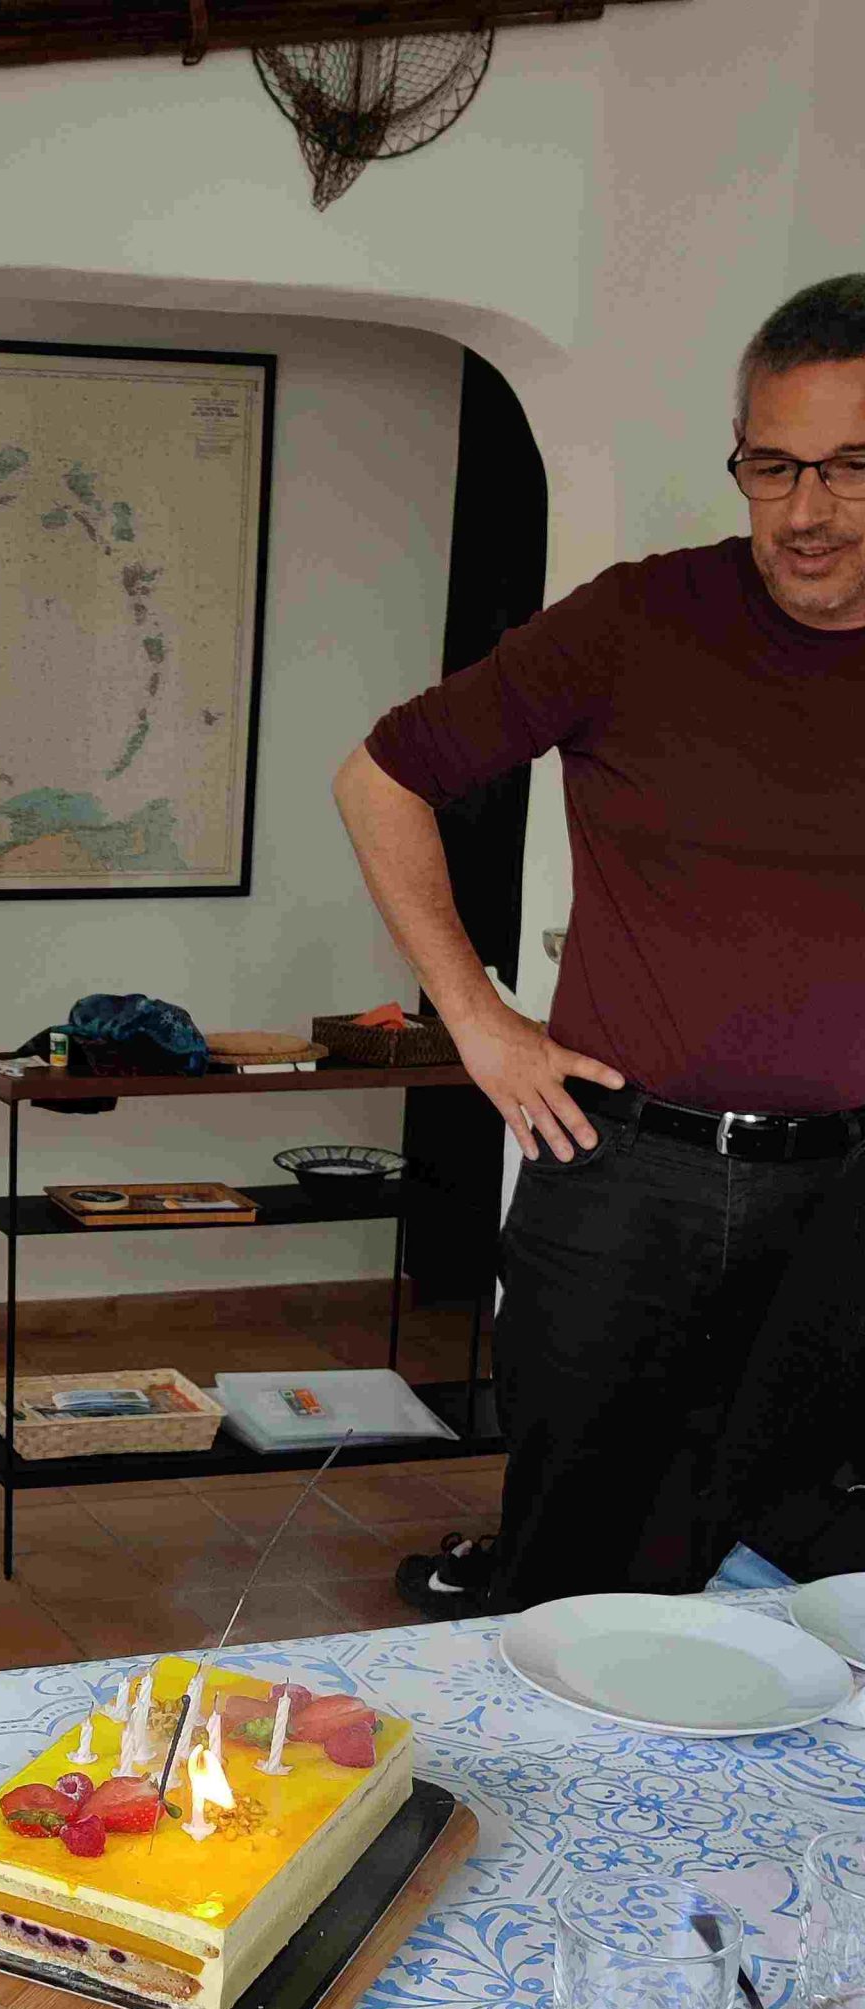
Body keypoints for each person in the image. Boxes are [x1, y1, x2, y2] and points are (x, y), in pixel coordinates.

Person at [334, 274, 865, 1615]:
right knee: (573, 1567)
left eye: (853, 468)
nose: (806, 512)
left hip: (846, 1198)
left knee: (808, 1580)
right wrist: (477, 1018)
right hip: (623, 1177)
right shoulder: (640, 621)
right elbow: (382, 778)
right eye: (774, 466)